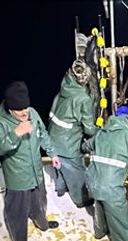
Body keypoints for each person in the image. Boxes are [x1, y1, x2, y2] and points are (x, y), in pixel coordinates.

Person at [0, 81, 61, 241]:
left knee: (40, 201)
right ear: (10, 109)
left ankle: (41, 223)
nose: (24, 113)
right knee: (17, 212)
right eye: (20, 110)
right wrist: (16, 134)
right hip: (18, 178)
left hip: (36, 172)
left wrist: (53, 154)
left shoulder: (32, 114)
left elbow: (42, 134)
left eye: (26, 109)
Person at [83, 106, 128, 241]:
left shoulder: (101, 133)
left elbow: (85, 146)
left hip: (92, 183)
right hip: (111, 188)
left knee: (100, 205)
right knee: (121, 222)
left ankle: (100, 233)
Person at [47, 60, 97, 207]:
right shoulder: (83, 99)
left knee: (59, 165)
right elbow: (89, 129)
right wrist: (101, 132)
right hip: (67, 143)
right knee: (76, 169)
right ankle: (81, 199)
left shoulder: (64, 88)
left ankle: (61, 187)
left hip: (51, 136)